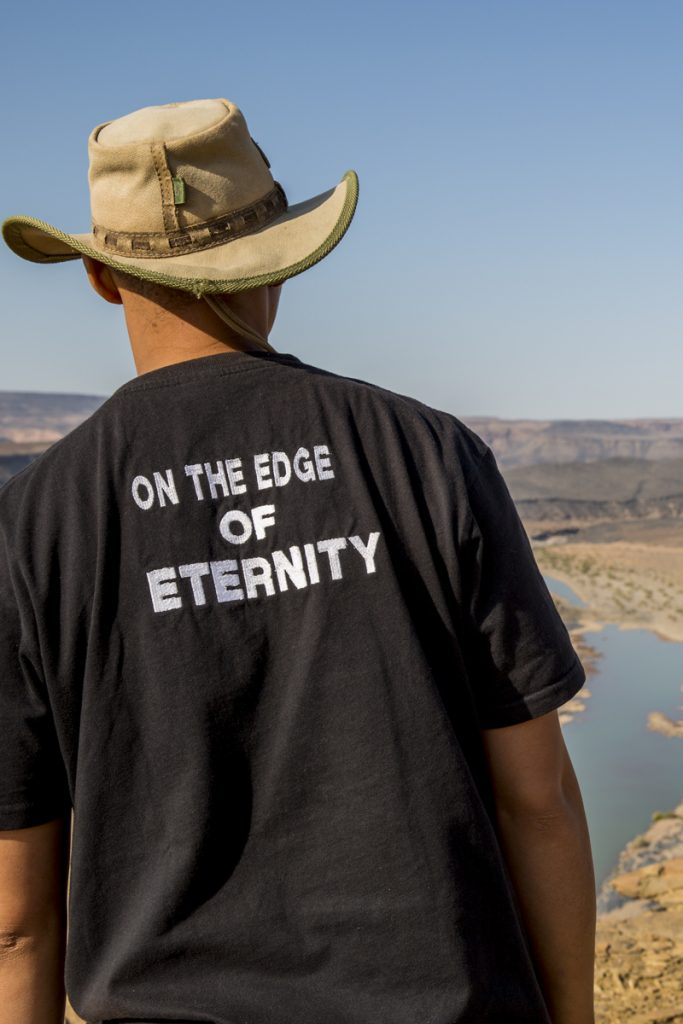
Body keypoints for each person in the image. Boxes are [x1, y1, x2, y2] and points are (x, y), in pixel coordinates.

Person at [0, 98, 595, 1024]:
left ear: (101, 278)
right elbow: (537, 797)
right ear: (278, 254)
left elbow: (17, 917)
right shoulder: (423, 451)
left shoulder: (35, 518)